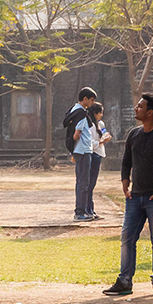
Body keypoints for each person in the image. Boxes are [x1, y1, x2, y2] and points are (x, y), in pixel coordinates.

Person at [103, 93, 153, 297]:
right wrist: (125, 185)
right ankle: (124, 281)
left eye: (140, 107)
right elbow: (126, 162)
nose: (136, 108)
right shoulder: (134, 134)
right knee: (127, 239)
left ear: (150, 112)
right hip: (135, 198)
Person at [72, 102, 111, 221]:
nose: (101, 115)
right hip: (92, 154)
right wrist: (100, 142)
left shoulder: (100, 123)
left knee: (91, 185)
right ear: (95, 113)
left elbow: (104, 133)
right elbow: (88, 142)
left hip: (98, 154)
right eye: (100, 113)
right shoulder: (89, 125)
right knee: (87, 184)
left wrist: (106, 137)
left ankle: (90, 210)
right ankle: (86, 210)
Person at [64, 87, 97, 221]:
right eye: (91, 100)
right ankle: (80, 212)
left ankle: (82, 211)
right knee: (83, 182)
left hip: (79, 150)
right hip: (83, 150)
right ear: (85, 99)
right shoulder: (81, 114)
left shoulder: (73, 110)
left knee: (81, 182)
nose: (92, 103)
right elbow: (76, 134)